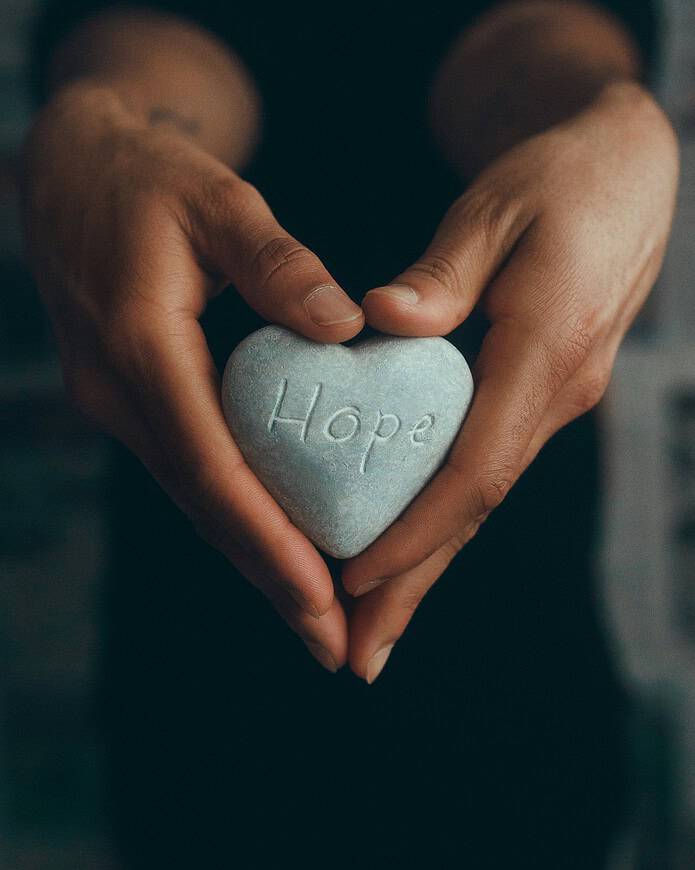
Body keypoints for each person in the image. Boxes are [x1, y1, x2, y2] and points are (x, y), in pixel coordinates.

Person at [23, 1, 677, 866]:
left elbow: (532, 44)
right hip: (200, 693)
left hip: (515, 676)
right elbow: (157, 36)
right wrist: (103, 121)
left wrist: (602, 115)